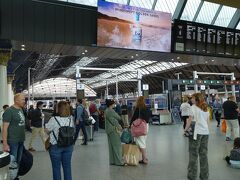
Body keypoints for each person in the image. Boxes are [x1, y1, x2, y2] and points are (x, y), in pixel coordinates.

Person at [45, 101, 74, 180]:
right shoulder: (70, 119)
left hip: (55, 146)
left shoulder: (53, 119)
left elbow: (47, 131)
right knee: (67, 167)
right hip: (68, 146)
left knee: (56, 168)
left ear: (58, 109)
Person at [184, 93, 210, 180]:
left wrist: (185, 130)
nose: (191, 99)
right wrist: (206, 130)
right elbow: (207, 122)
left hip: (196, 133)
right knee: (203, 155)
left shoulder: (192, 108)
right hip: (205, 133)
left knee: (193, 154)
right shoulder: (206, 108)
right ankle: (204, 176)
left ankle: (192, 176)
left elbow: (189, 121)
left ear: (197, 99)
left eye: (193, 98)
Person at [2, 93, 26, 178]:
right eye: (22, 99)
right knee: (12, 163)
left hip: (20, 140)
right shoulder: (9, 111)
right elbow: (4, 128)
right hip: (12, 141)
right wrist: (5, 143)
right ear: (16, 100)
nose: (24, 101)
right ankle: (11, 177)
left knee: (18, 162)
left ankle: (15, 177)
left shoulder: (20, 109)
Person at [130, 96, 150, 164]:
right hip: (146, 126)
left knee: (141, 143)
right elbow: (149, 116)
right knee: (142, 142)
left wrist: (130, 125)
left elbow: (133, 118)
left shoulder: (138, 108)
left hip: (139, 127)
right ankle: (142, 158)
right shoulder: (147, 108)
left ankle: (144, 159)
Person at [105, 99, 125, 166]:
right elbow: (114, 120)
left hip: (108, 130)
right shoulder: (110, 111)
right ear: (111, 104)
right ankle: (119, 162)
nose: (114, 104)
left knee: (111, 146)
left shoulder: (106, 110)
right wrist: (120, 127)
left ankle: (112, 161)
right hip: (113, 129)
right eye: (113, 103)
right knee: (117, 145)